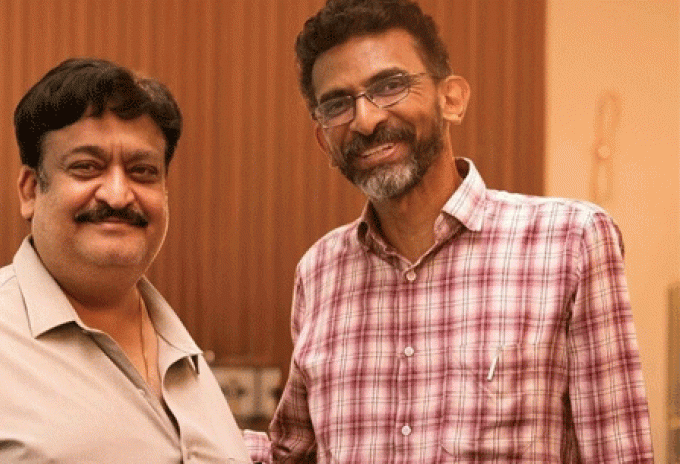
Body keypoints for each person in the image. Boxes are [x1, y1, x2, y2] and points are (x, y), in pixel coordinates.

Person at [244, 0, 654, 462]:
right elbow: (292, 454)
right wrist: (183, 424)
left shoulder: (571, 242)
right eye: (338, 104)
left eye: (390, 86)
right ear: (324, 141)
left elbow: (618, 452)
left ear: (451, 99)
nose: (366, 119)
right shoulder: (319, 271)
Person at [0, 58, 251, 463]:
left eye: (142, 171)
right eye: (86, 167)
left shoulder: (187, 362)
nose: (118, 195)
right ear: (30, 190)